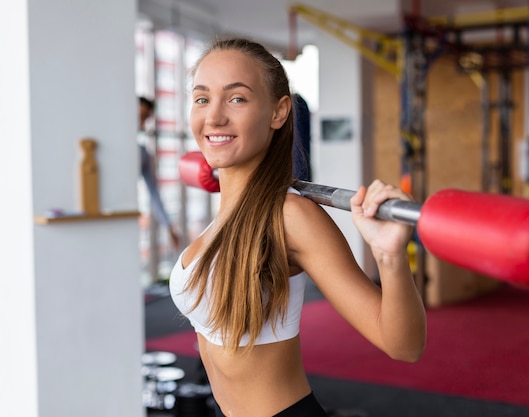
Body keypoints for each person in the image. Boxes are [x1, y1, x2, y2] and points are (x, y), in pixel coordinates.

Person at [169, 38, 426, 417]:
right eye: (202, 98)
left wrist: (388, 256)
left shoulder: (290, 215)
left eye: (237, 99)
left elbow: (404, 346)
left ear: (278, 112)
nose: (214, 117)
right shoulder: (228, 213)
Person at [138, 96, 180, 250]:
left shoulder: (142, 154)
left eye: (145, 118)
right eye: (139, 117)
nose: (142, 124)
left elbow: (153, 192)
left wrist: (169, 226)